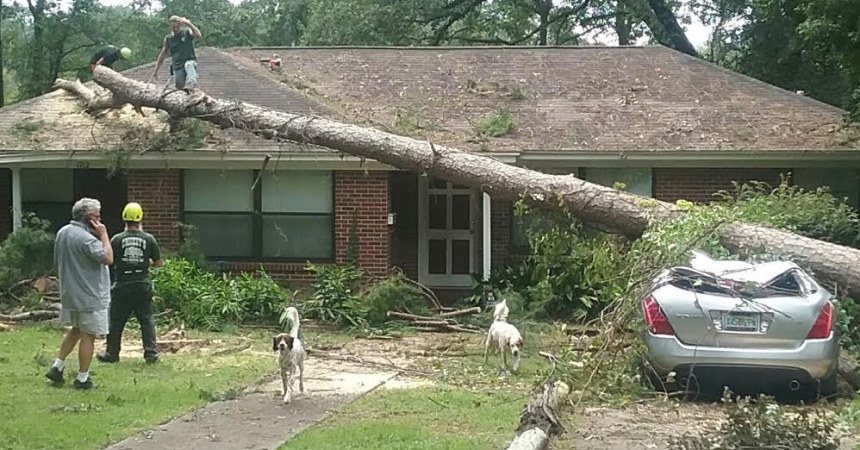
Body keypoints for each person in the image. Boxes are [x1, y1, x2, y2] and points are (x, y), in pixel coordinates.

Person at [45, 198, 114, 390]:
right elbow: (108, 258)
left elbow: (56, 265)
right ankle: (83, 379)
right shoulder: (88, 239)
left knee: (76, 330)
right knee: (88, 335)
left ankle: (57, 366)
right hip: (89, 296)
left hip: (70, 293)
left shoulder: (63, 232)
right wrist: (104, 234)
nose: (100, 221)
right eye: (98, 217)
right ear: (89, 218)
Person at [97, 202, 163, 364]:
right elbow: (159, 263)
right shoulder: (149, 239)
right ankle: (150, 354)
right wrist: (145, 263)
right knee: (146, 320)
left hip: (122, 284)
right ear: (141, 218)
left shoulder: (117, 239)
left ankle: (112, 354)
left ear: (124, 218)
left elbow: (109, 260)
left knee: (116, 321)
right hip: (142, 283)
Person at [152, 15, 202, 92]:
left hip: (190, 61)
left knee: (188, 65)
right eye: (173, 27)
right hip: (178, 66)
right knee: (179, 87)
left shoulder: (186, 32)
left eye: (177, 27)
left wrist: (188, 23)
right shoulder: (168, 39)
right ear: (170, 27)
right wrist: (156, 70)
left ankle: (193, 84)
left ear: (180, 25)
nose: (175, 29)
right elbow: (162, 55)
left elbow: (198, 35)